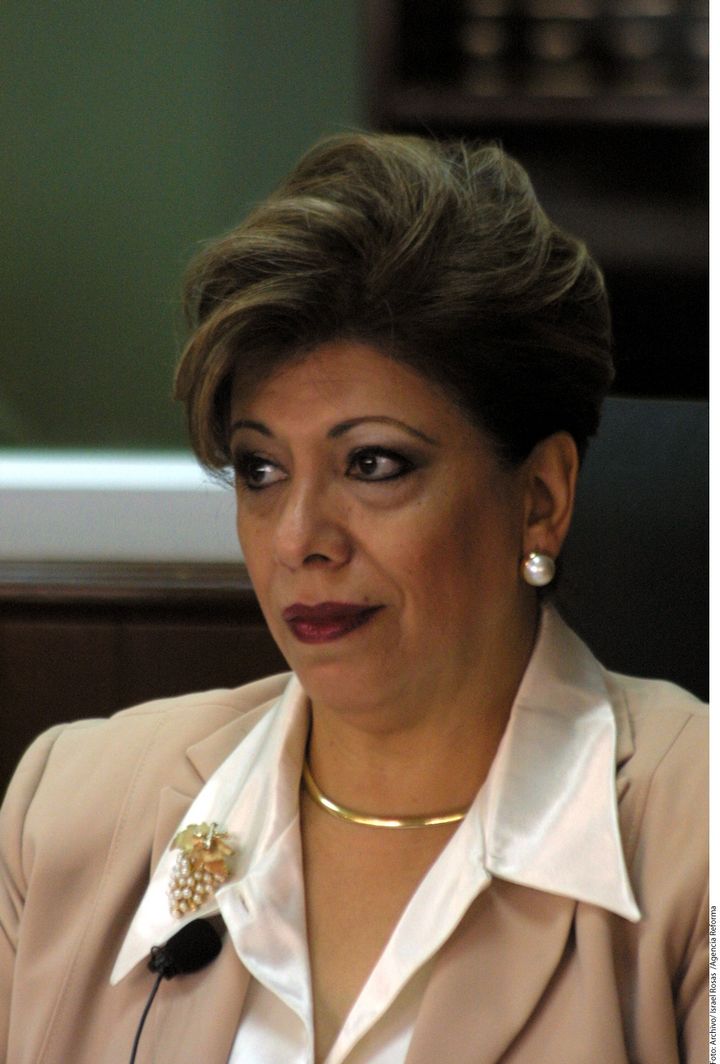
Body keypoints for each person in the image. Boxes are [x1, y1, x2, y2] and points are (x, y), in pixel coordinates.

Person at [0, 134, 707, 1063]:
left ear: (540, 498)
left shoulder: (697, 832)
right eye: (261, 469)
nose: (299, 538)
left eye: (372, 464)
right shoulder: (70, 809)